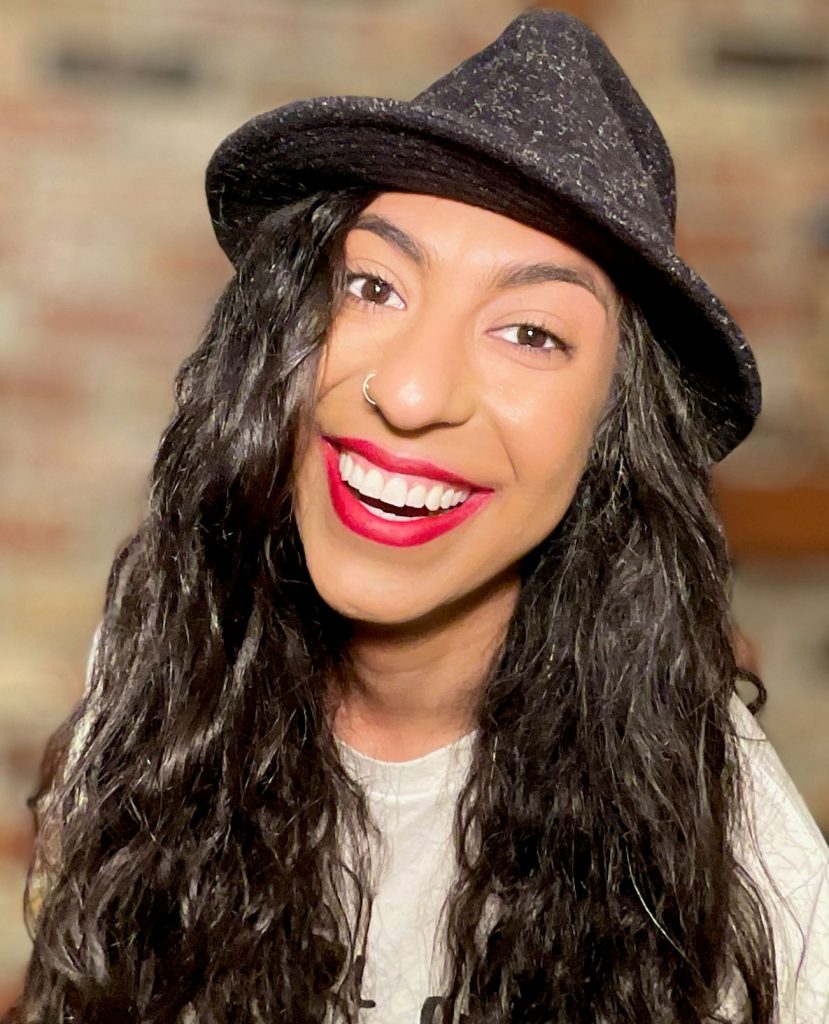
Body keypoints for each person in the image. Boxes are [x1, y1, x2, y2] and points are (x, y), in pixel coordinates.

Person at [7, 9, 828, 1024]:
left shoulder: (732, 865)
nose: (410, 391)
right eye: (372, 286)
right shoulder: (163, 701)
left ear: (612, 435)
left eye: (529, 332)